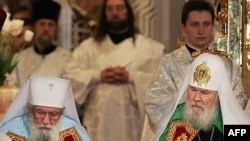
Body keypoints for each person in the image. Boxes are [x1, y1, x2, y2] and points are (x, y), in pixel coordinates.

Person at [63, 0, 165, 140]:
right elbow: (69, 77)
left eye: (119, 8)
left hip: (132, 127)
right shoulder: (88, 49)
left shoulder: (149, 49)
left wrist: (131, 77)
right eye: (110, 9)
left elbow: (162, 84)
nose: (115, 13)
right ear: (104, 14)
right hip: (96, 126)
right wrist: (98, 76)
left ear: (128, 12)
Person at [144, 0, 248, 135]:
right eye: (195, 25)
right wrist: (190, 110)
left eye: (206, 24)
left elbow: (237, 102)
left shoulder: (227, 65)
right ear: (183, 28)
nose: (201, 31)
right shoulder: (170, 63)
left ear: (213, 25)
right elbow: (155, 103)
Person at [153, 53, 250, 141]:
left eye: (204, 92)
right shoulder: (177, 120)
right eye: (193, 89)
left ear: (218, 95)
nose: (196, 98)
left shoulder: (235, 126)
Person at [0, 76, 91, 140]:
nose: (46, 121)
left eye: (53, 114)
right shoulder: (10, 132)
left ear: (61, 113)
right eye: (40, 112)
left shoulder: (74, 134)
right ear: (30, 110)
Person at [9, 0, 71, 88]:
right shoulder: (20, 58)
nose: (46, 29)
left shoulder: (67, 58)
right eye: (42, 24)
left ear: (56, 29)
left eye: (50, 25)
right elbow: (12, 88)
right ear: (34, 27)